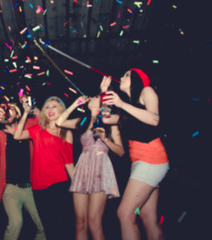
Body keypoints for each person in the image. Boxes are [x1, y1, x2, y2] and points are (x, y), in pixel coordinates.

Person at [100, 69, 169, 240]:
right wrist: (104, 93)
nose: (121, 77)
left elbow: (154, 119)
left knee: (124, 213)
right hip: (140, 163)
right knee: (148, 218)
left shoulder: (147, 91)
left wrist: (121, 104)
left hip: (151, 161)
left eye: (126, 75)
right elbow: (106, 119)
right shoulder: (129, 106)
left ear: (137, 79)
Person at [56, 94, 125, 240]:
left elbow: (121, 152)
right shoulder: (83, 121)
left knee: (94, 222)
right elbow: (59, 121)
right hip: (83, 169)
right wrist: (75, 104)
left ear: (101, 102)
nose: (91, 98)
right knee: (80, 223)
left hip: (101, 168)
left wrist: (105, 139)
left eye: (95, 96)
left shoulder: (109, 122)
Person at [14, 96, 75, 240]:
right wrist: (25, 112)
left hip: (59, 182)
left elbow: (69, 162)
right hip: (38, 185)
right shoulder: (37, 129)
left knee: (63, 225)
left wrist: (77, 186)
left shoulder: (66, 133)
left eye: (54, 106)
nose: (50, 110)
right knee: (49, 227)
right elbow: (17, 136)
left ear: (61, 110)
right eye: (47, 107)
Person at [0, 96, 46, 240]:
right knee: (16, 223)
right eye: (5, 109)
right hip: (10, 188)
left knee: (42, 225)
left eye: (12, 108)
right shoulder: (1, 133)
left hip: (31, 187)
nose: (8, 111)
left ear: (19, 113)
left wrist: (27, 103)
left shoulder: (28, 127)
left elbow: (43, 118)